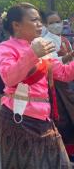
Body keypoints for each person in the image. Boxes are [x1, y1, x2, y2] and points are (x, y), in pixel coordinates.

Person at [0, 3, 74, 168]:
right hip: (18, 120)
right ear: (16, 25)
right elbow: (9, 77)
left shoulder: (40, 47)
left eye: (40, 21)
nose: (40, 24)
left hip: (44, 119)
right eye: (34, 20)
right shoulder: (6, 48)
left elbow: (65, 73)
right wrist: (33, 54)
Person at [43, 11, 74, 162]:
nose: (57, 25)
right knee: (63, 118)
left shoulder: (64, 40)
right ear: (46, 25)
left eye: (58, 21)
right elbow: (53, 64)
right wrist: (70, 56)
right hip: (57, 84)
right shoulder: (46, 42)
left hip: (69, 82)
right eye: (52, 22)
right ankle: (64, 151)